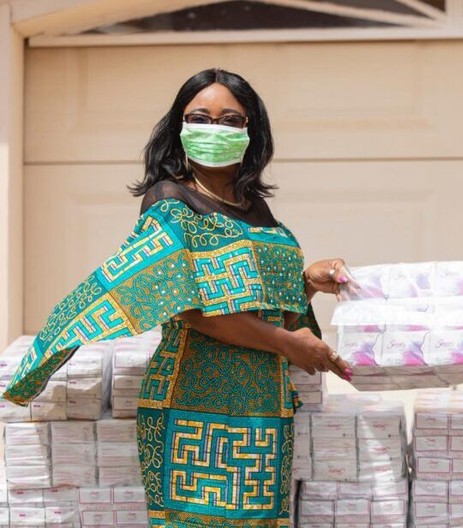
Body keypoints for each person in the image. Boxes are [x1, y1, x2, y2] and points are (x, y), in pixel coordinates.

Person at [3, 68, 353, 526]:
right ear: (179, 128)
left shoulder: (259, 211)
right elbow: (192, 309)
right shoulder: (169, 201)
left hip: (263, 407)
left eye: (230, 120)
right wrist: (289, 344)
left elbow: (264, 306)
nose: (214, 130)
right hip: (190, 400)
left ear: (252, 133)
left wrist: (307, 280)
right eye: (199, 118)